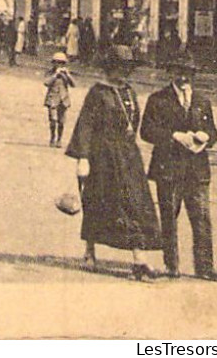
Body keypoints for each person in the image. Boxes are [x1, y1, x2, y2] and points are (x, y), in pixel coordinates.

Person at [64, 44, 163, 280]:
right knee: (97, 202)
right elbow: (85, 126)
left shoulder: (129, 92)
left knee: (136, 204)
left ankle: (139, 260)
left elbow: (134, 123)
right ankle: (89, 251)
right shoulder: (98, 93)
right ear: (109, 68)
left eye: (127, 68)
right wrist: (83, 158)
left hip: (128, 157)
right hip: (103, 158)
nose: (123, 72)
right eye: (118, 67)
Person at [139, 53, 217, 281]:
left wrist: (206, 136)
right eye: (179, 72)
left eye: (188, 73)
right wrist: (174, 136)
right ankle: (171, 265)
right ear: (171, 73)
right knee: (169, 217)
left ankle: (205, 267)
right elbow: (146, 131)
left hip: (197, 171)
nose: (184, 77)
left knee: (202, 218)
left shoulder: (202, 101)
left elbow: (214, 133)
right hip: (168, 169)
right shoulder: (158, 99)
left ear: (193, 75)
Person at [43, 51, 75, 148]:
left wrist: (68, 75)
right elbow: (46, 83)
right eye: (57, 62)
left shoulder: (66, 74)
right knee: (53, 119)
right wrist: (55, 75)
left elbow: (73, 84)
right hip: (52, 99)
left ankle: (59, 139)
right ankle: (53, 137)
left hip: (63, 99)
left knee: (61, 121)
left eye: (61, 63)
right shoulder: (50, 73)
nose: (59, 65)